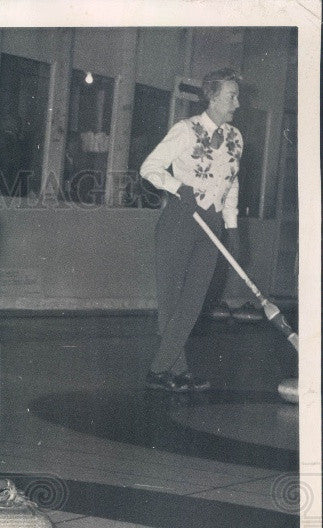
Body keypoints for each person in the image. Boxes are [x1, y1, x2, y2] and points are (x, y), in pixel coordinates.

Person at [140, 68, 243, 391]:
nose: (237, 103)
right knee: (171, 302)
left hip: (211, 225)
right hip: (180, 220)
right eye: (231, 96)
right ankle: (172, 370)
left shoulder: (236, 138)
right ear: (212, 98)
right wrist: (176, 186)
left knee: (194, 302)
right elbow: (149, 168)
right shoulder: (185, 130)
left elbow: (232, 182)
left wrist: (233, 227)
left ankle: (164, 370)